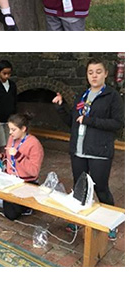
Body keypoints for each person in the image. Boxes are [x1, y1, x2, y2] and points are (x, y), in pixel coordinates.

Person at [52, 57, 124, 239]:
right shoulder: (82, 95)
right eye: (90, 72)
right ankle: (78, 221)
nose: (94, 76)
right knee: (80, 187)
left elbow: (118, 123)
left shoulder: (112, 96)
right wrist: (60, 108)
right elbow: (73, 122)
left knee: (100, 188)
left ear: (105, 74)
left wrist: (90, 120)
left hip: (99, 151)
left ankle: (111, 222)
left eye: (98, 72)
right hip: (78, 150)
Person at [0, 112, 44, 221]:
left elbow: (34, 172)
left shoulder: (34, 144)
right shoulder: (12, 139)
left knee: (11, 214)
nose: (10, 133)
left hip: (26, 181)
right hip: (11, 179)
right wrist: (1, 157)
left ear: (23, 129)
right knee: (9, 212)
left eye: (13, 130)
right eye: (9, 129)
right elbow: (9, 157)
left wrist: (18, 156)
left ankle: (28, 204)